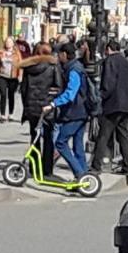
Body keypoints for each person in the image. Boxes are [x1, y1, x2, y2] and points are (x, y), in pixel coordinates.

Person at [43, 42, 89, 179]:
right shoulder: (75, 67)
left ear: (64, 55)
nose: (58, 57)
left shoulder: (74, 70)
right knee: (78, 146)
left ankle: (79, 173)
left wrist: (53, 104)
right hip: (81, 111)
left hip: (75, 113)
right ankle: (84, 177)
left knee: (61, 143)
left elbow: (71, 94)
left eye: (59, 54)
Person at [93, 39, 128, 174]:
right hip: (127, 105)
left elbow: (108, 84)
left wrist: (101, 96)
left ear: (108, 49)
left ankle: (96, 166)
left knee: (103, 136)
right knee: (123, 137)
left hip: (113, 105)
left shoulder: (110, 61)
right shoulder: (127, 63)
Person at [19, 43, 62, 177]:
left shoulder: (29, 67)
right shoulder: (53, 66)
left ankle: (34, 166)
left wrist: (26, 105)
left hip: (32, 106)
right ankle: (47, 168)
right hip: (47, 106)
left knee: (34, 136)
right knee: (48, 137)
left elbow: (24, 89)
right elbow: (59, 86)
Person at [0, 37, 22, 122]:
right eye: (7, 42)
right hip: (2, 76)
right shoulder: (0, 52)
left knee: (11, 95)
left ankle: (11, 114)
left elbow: (21, 65)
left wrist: (20, 76)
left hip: (13, 77)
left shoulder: (17, 53)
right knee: (3, 95)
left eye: (10, 42)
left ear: (13, 43)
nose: (8, 43)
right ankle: (2, 115)